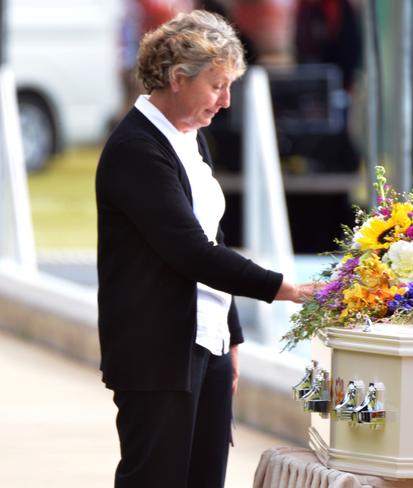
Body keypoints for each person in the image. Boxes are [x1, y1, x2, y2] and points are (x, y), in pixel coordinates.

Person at [95, 10, 317, 488]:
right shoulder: (137, 148)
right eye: (217, 85)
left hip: (205, 339)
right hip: (157, 349)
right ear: (178, 78)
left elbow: (212, 238)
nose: (226, 100)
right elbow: (189, 251)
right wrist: (284, 289)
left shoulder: (190, 139)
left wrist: (231, 336)